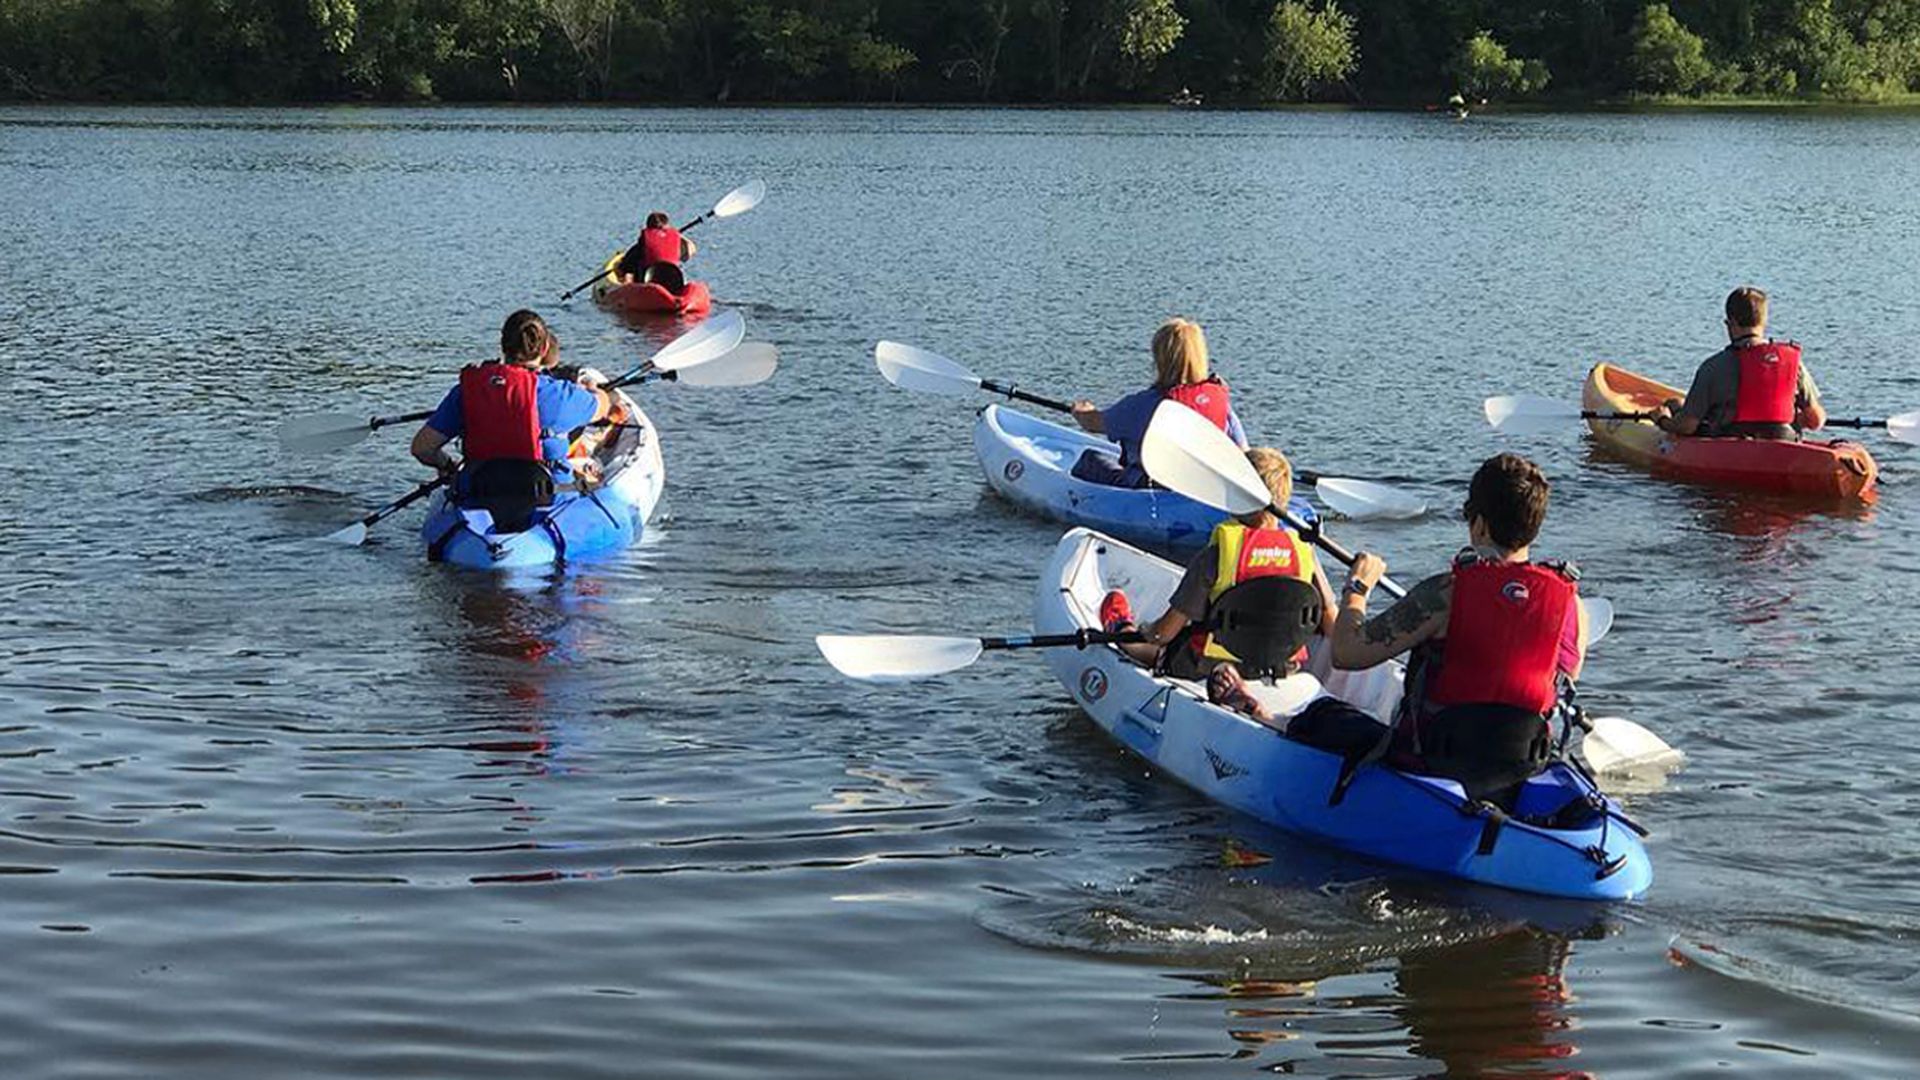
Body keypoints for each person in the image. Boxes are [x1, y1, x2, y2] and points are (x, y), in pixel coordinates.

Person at [1330, 453, 1588, 806]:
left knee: (1324, 716)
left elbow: (1346, 653)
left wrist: (1357, 589)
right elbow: (1555, 682)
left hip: (1434, 762)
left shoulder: (1446, 593)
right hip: (1520, 766)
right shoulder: (1571, 606)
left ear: (1479, 525)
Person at [410, 310, 614, 531]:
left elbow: (422, 448)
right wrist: (593, 390)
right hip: (546, 503)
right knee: (591, 479)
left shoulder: (467, 392)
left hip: (478, 499)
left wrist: (447, 466)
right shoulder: (559, 394)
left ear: (503, 346)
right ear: (544, 349)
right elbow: (603, 407)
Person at [1067, 318, 1249, 488]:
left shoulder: (1144, 405)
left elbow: (1093, 423)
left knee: (1090, 459)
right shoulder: (1219, 402)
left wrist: (1082, 411)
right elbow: (1243, 451)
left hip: (1151, 488)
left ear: (1160, 360)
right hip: (1203, 489)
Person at [1653, 285, 1826, 440]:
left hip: (1729, 445)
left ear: (1730, 323)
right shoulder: (1793, 364)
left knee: (1675, 405)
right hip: (1783, 441)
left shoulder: (1713, 366)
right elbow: (1815, 420)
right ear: (1763, 322)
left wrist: (1663, 421)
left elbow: (1687, 426)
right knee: (1678, 404)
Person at [616, 211, 697, 288]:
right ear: (667, 225)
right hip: (673, 283)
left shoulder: (640, 247)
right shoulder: (675, 242)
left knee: (634, 265)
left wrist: (621, 268)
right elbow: (691, 250)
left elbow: (625, 267)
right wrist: (677, 235)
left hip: (648, 283)